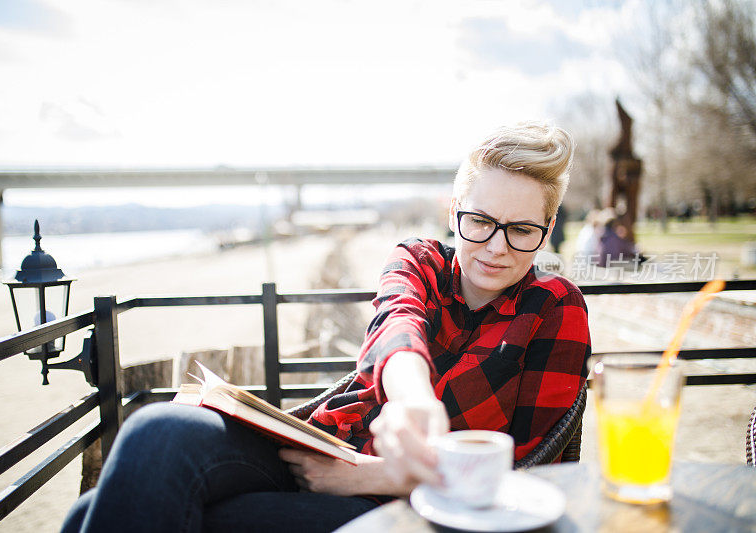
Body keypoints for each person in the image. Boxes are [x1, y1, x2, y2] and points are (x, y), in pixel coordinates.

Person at [61, 122, 591, 533]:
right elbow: (397, 326)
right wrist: (410, 399)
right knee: (155, 433)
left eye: (522, 229)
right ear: (455, 213)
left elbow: (531, 476)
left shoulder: (553, 307)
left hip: (419, 511)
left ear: (547, 229)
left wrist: (379, 475)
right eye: (480, 221)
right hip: (318, 449)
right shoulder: (419, 259)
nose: (497, 247)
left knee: (93, 516)